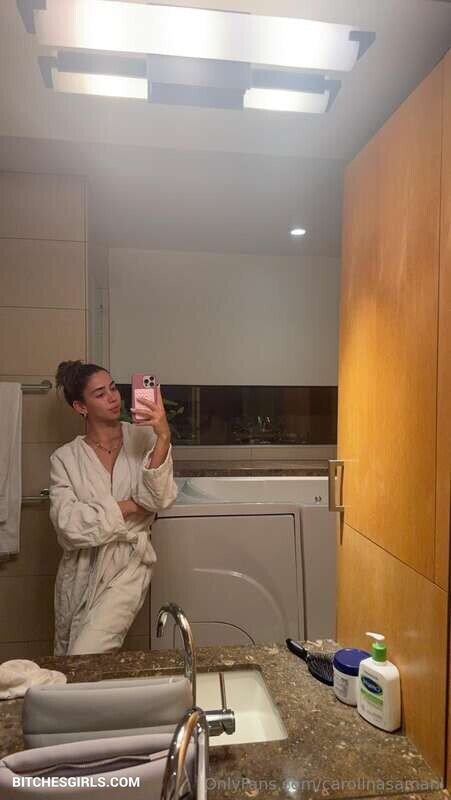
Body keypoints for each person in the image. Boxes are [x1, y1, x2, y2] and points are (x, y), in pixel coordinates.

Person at [49, 360, 177, 656]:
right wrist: (130, 505)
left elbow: (158, 499)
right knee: (69, 657)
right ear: (81, 407)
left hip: (128, 565)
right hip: (79, 569)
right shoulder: (65, 459)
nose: (113, 397)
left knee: (85, 653)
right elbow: (68, 525)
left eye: (113, 388)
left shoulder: (144, 437)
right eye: (100, 394)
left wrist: (164, 436)